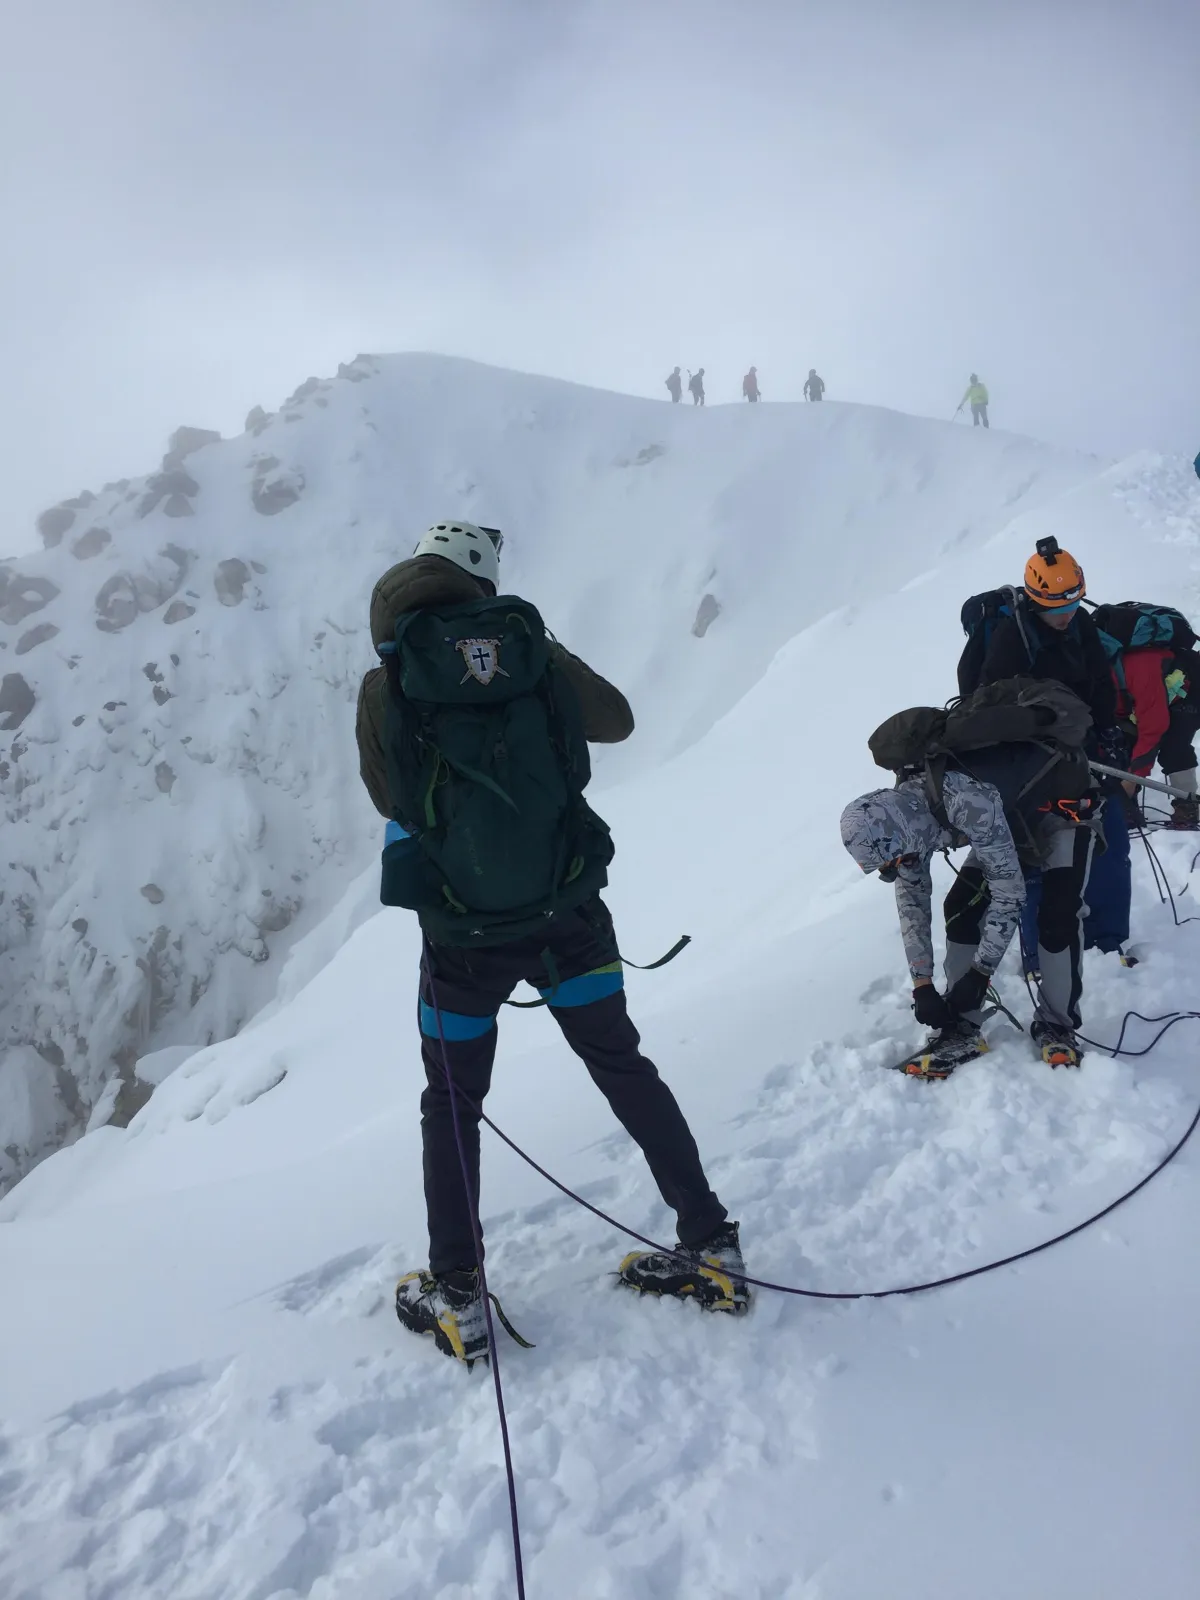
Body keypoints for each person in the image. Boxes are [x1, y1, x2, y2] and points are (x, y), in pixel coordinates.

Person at [355, 519, 747, 1362]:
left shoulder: (387, 684)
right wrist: (541, 659)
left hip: (462, 939)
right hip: (569, 918)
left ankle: (458, 1291)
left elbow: (390, 798)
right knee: (621, 1064)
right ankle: (711, 1242)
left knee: (453, 1103)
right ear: (484, 583)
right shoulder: (531, 654)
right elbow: (618, 723)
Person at [840, 686, 1100, 1074]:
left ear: (904, 836)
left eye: (898, 859)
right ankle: (961, 1024)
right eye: (892, 864)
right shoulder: (906, 823)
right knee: (959, 909)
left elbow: (1009, 895)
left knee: (1058, 917)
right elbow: (912, 905)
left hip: (1061, 814)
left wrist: (980, 974)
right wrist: (922, 984)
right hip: (1003, 823)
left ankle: (1057, 1025)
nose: (901, 866)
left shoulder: (962, 800)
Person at [976, 540, 1126, 1045]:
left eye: (1071, 603)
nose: (1063, 615)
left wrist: (1106, 730)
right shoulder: (1010, 640)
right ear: (1034, 600)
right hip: (1028, 767)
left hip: (1079, 758)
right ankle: (1035, 964)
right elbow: (989, 705)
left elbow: (1099, 681)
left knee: (1083, 866)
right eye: (1054, 607)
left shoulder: (1079, 624)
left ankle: (1071, 979)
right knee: (1030, 867)